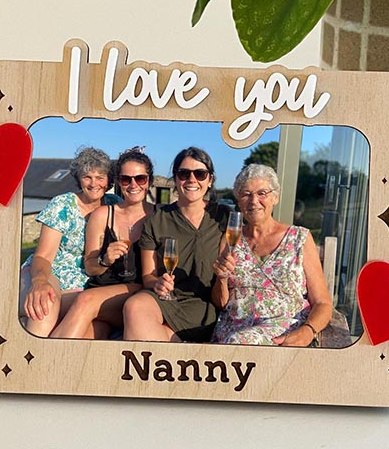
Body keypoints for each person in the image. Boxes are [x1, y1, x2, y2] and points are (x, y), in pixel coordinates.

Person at [211, 164, 333, 346]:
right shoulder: (230, 239)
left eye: (262, 193)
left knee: (240, 342)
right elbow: (221, 303)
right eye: (246, 194)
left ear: (275, 197)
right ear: (238, 201)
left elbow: (323, 303)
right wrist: (221, 279)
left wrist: (308, 331)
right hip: (232, 331)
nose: (254, 201)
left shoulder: (299, 238)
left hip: (282, 332)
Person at [122, 147, 227, 343]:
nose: (191, 180)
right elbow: (148, 276)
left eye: (200, 174)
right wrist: (158, 283)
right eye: (184, 173)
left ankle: (171, 350)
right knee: (134, 306)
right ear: (176, 179)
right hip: (164, 298)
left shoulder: (223, 217)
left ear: (210, 180)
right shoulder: (156, 220)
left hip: (203, 303)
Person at [49, 148, 155, 340]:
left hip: (138, 291)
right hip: (104, 294)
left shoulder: (159, 216)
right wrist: (105, 260)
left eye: (140, 178)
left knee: (85, 300)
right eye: (126, 179)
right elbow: (90, 267)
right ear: (118, 182)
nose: (133, 185)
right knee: (89, 333)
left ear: (149, 181)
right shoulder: (103, 214)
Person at [20, 146, 117, 337]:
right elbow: (43, 256)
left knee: (95, 326)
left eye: (100, 177)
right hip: (51, 272)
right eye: (87, 176)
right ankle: (33, 351)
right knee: (44, 303)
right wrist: (39, 282)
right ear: (78, 178)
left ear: (108, 181)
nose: (93, 183)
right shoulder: (62, 204)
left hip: (88, 282)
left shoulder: (114, 204)